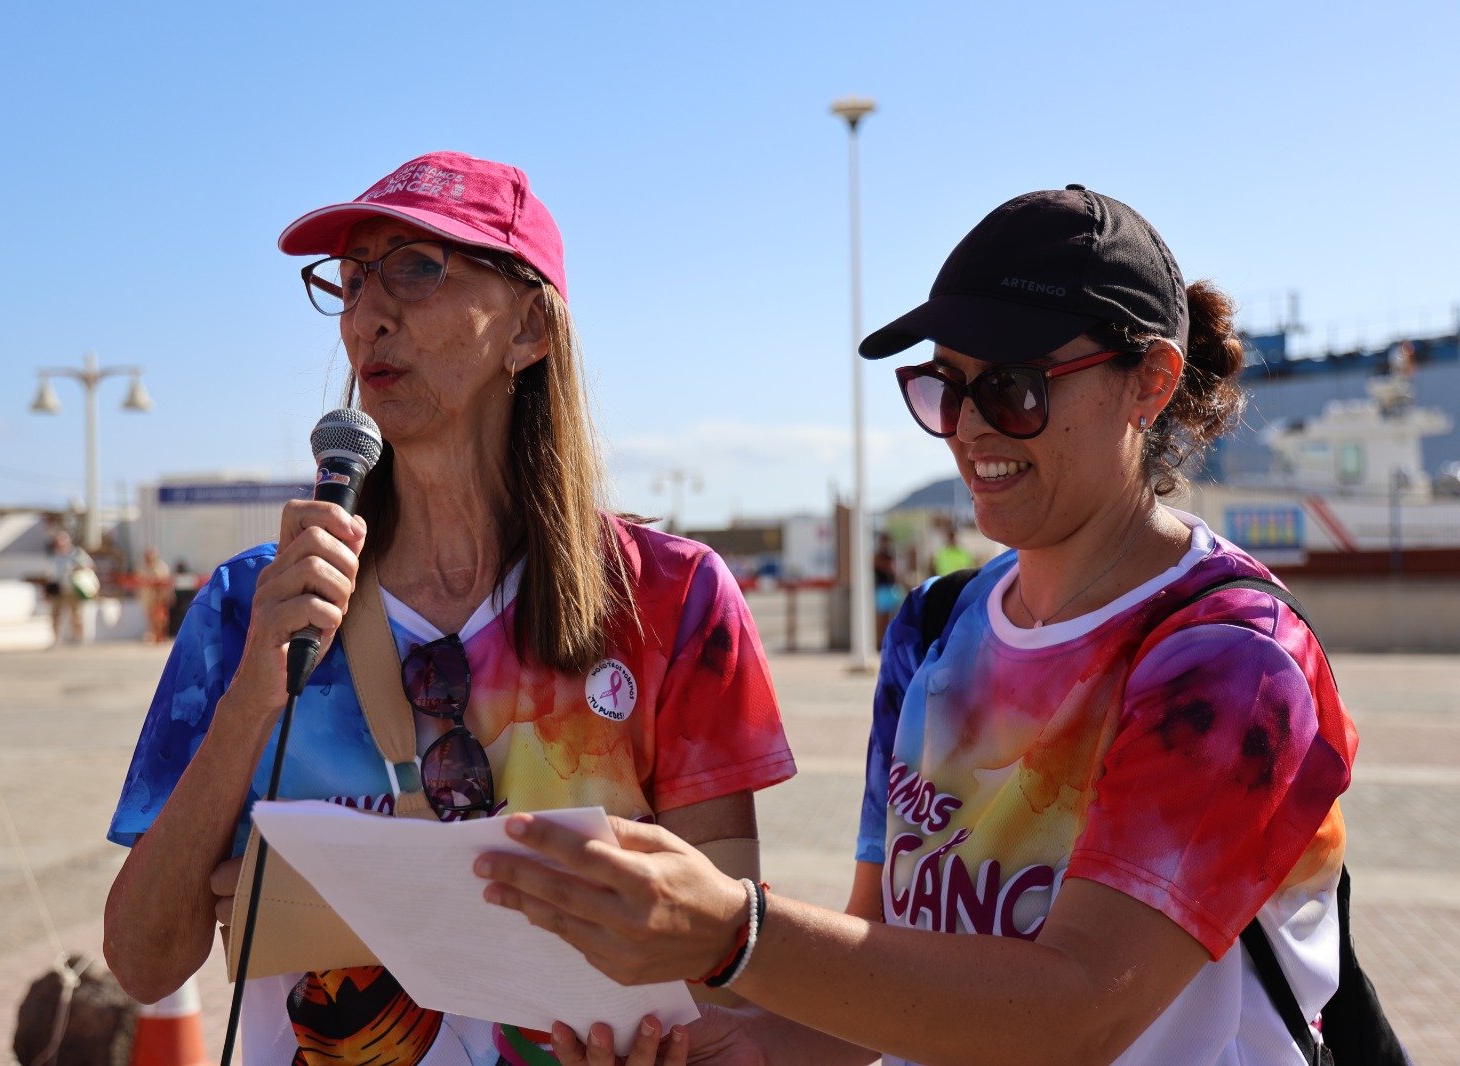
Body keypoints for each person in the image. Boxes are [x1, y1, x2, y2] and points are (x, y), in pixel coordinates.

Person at [476, 185, 1358, 1065]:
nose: (969, 426)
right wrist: (718, 1048)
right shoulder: (935, 626)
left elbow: (1081, 1011)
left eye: (1014, 389)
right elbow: (878, 969)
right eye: (944, 386)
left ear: (1151, 384)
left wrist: (734, 935)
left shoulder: (1229, 661)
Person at [101, 151, 796, 1066]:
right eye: (350, 281)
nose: (367, 315)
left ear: (530, 327)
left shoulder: (673, 599)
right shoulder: (250, 604)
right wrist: (251, 705)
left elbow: (724, 961)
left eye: (417, 269)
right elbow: (146, 965)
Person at [47, 529, 94, 645]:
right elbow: (50, 573)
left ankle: (79, 639)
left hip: (73, 589)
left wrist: (76, 570)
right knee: (55, 616)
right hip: (58, 589)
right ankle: (56, 640)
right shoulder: (54, 555)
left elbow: (89, 565)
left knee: (77, 615)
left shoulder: (76, 553)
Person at [872, 532, 903, 651]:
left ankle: (892, 641)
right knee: (882, 617)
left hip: (892, 587)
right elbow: (885, 566)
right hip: (883, 588)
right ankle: (880, 642)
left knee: (894, 617)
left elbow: (895, 570)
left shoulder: (891, 554)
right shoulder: (879, 555)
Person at [138, 546, 172, 644]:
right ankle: (154, 635)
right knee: (151, 618)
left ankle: (161, 636)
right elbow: (140, 580)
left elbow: (165, 581)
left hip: (159, 597)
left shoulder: (161, 567)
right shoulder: (143, 567)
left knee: (161, 618)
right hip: (149, 597)